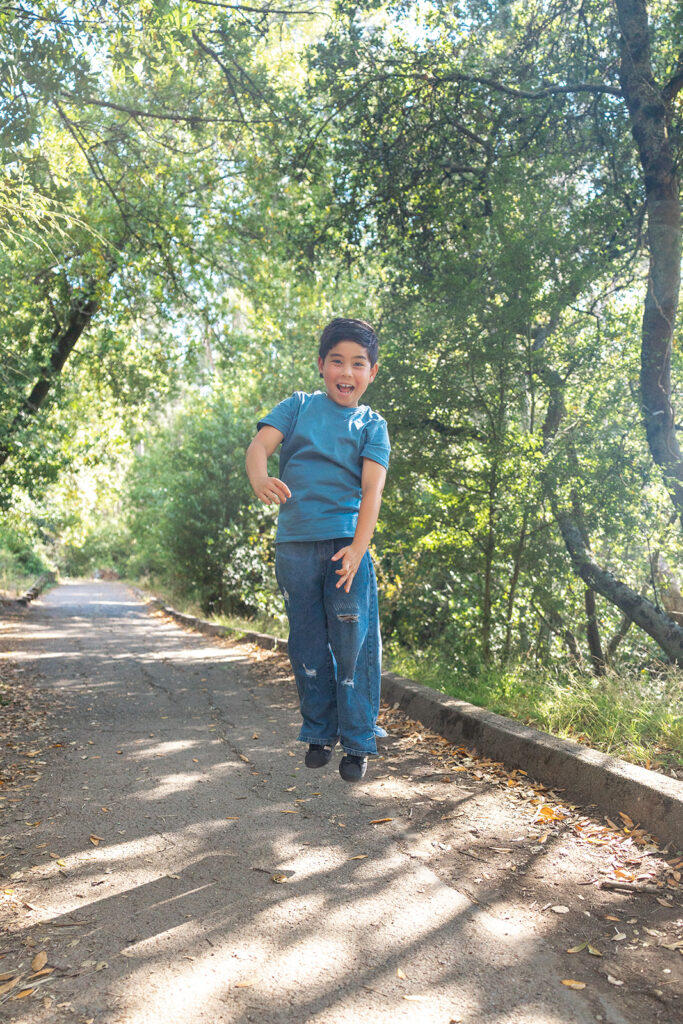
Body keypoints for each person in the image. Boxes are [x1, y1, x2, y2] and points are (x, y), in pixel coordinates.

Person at [245, 318, 390, 782]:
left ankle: (358, 742)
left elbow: (372, 493)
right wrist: (260, 477)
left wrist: (357, 549)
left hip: (346, 549)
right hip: (295, 547)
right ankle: (317, 733)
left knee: (352, 644)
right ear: (322, 365)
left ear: (371, 371)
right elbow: (259, 446)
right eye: (337, 361)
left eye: (358, 364)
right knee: (306, 641)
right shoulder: (299, 406)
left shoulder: (372, 424)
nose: (346, 372)